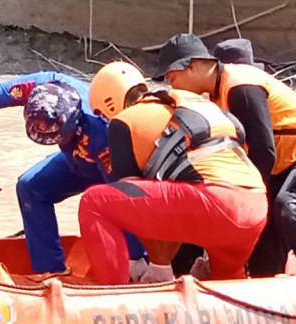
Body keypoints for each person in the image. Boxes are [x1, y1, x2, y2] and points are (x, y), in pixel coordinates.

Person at [152, 34, 296, 275]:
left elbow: (263, 151)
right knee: (263, 242)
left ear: (192, 67)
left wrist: (242, 198)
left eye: (173, 79)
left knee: (290, 206)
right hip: (281, 169)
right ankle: (265, 292)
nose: (173, 88)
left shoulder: (240, 84)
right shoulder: (216, 95)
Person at [78, 61, 267, 285]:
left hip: (213, 201)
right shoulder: (191, 104)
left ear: (108, 105)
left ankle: (111, 297)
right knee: (225, 284)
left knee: (95, 202)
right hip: (256, 206)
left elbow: (140, 208)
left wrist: (159, 265)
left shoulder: (123, 122)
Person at [0, 71, 146, 277]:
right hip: (75, 161)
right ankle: (50, 268)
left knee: (102, 205)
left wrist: (136, 255)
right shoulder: (43, 86)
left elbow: (123, 198)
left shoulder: (102, 129)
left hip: (108, 169)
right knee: (30, 187)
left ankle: (142, 258)